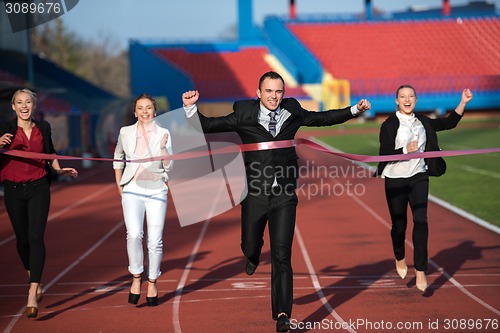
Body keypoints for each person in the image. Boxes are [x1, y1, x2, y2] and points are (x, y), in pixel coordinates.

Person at [182, 71, 371, 332]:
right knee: (249, 244)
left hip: (284, 194)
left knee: (282, 255)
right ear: (259, 93)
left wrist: (354, 109)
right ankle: (252, 254)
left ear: (283, 93)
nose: (274, 96)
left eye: (278, 91)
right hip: (255, 194)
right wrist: (191, 109)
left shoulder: (292, 110)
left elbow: (322, 118)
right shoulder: (244, 113)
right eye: (269, 91)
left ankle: (283, 314)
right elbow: (210, 126)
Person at [376, 85, 473, 292]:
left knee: (421, 221)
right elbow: (383, 153)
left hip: (419, 176)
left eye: (411, 96)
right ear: (397, 101)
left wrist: (463, 102)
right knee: (399, 225)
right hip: (395, 179)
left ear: (416, 100)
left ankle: (420, 270)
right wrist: (404, 149)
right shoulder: (389, 124)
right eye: (403, 96)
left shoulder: (423, 121)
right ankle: (400, 256)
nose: (407, 99)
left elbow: (449, 123)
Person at [0, 88, 78, 319]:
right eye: (19, 103)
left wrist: (59, 169)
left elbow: (49, 152)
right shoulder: (4, 129)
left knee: (35, 237)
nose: (24, 106)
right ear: (13, 107)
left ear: (33, 106)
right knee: (22, 240)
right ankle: (32, 274)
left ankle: (33, 290)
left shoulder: (43, 127)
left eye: (28, 102)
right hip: (13, 190)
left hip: (39, 188)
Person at [113, 93, 173, 307]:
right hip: (132, 189)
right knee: (134, 234)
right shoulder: (125, 132)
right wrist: (119, 184)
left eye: (148, 108)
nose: (145, 111)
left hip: (157, 191)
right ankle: (136, 277)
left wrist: (164, 148)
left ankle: (152, 281)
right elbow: (117, 156)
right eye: (140, 108)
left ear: (154, 111)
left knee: (155, 241)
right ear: (135, 111)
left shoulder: (164, 132)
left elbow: (169, 167)